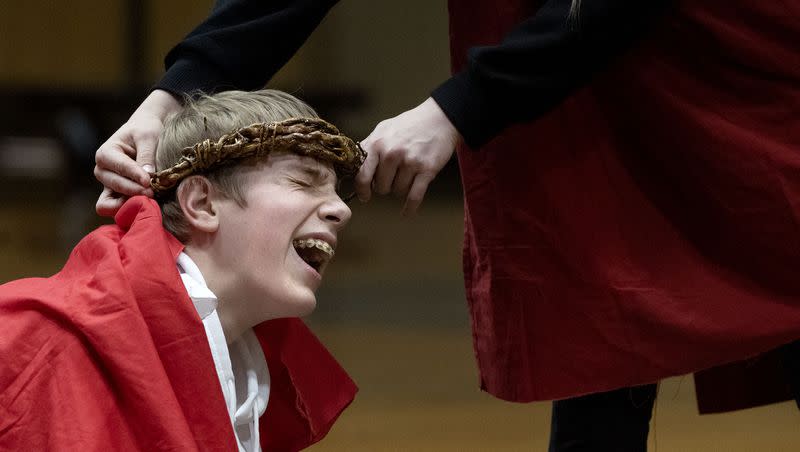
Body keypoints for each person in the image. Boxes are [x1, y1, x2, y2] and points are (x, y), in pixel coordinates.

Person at [93, 0, 800, 450]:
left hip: (734, 66)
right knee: (598, 313)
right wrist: (171, 95)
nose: (333, 209)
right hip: (570, 83)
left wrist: (458, 107)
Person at [1, 89, 364, 451]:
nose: (341, 211)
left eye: (336, 193)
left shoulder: (252, 370)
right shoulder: (34, 346)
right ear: (202, 203)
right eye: (303, 182)